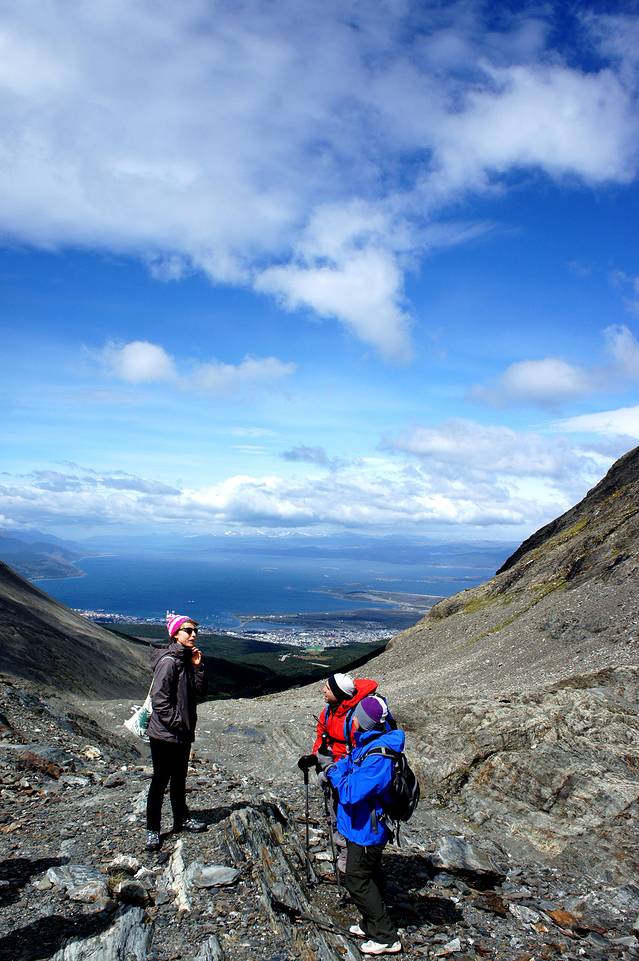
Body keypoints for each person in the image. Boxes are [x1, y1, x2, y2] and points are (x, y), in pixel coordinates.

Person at [324, 695, 404, 956]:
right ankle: (371, 922)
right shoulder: (371, 742)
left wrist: (333, 774)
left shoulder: (378, 757)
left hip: (366, 829)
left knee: (357, 880)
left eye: (357, 715)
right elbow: (352, 762)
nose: (353, 719)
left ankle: (385, 936)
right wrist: (334, 765)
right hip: (360, 823)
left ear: (363, 721)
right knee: (369, 874)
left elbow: (350, 792)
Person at [298, 673, 381, 871]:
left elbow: (361, 749)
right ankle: (349, 861)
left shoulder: (355, 717)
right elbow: (322, 740)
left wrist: (334, 769)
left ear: (338, 693)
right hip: (332, 771)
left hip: (346, 775)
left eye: (327, 687)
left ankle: (351, 865)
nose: (323, 690)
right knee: (335, 814)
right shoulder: (327, 713)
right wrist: (315, 757)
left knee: (347, 817)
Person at [145, 611, 208, 851]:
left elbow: (200, 691)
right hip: (165, 733)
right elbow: (159, 700)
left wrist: (199, 667)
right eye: (188, 631)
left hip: (181, 732)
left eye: (195, 631)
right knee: (160, 780)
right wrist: (179, 723)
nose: (193, 635)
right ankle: (153, 829)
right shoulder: (169, 662)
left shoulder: (186, 659)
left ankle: (181, 817)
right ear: (175, 634)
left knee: (179, 777)